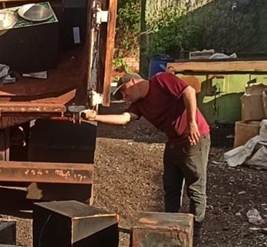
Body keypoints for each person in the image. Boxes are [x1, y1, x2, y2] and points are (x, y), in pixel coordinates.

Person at [83, 71, 211, 236]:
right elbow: (124, 118)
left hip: (195, 138)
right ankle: (170, 227)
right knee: (171, 186)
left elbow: (189, 91)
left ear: (133, 82)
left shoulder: (161, 80)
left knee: (195, 187)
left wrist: (192, 123)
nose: (125, 97)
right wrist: (95, 117)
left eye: (124, 91)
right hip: (173, 142)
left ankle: (195, 232)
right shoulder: (140, 104)